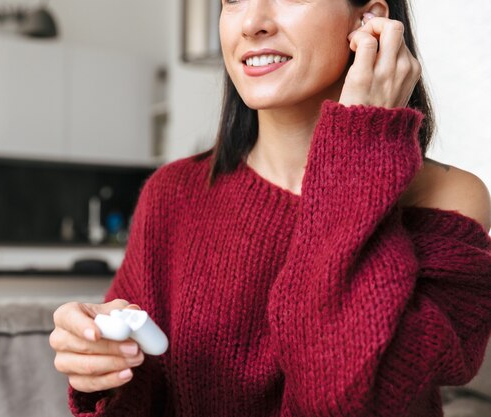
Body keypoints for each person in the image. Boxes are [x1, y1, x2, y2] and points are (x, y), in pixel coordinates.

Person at [50, 0, 491, 415]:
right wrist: (102, 368)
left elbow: (343, 398)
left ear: (369, 20)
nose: (251, 22)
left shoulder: (447, 201)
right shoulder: (173, 193)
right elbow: (147, 391)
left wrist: (362, 147)